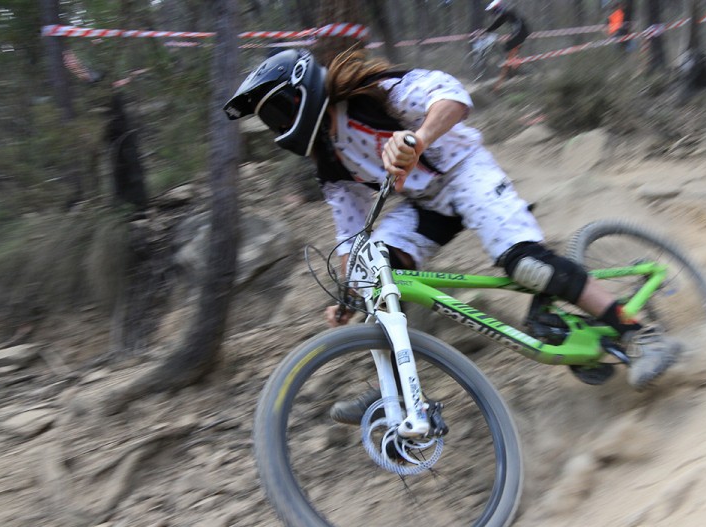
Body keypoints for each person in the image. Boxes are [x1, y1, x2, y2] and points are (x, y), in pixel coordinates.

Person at [223, 48, 680, 423]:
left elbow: (452, 96)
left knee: (526, 264)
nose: (279, 127)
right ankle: (396, 393)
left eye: (280, 112)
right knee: (373, 272)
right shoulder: (328, 160)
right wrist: (350, 290)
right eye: (272, 121)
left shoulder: (377, 94)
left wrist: (418, 138)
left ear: (304, 92)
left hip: (465, 172)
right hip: (426, 205)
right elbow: (350, 232)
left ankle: (639, 334)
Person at [481, 0, 530, 91]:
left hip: (521, 33)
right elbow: (497, 24)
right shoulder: (506, 13)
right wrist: (486, 31)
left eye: (493, 10)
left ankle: (514, 73)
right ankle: (513, 71)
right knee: (509, 53)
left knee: (508, 50)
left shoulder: (509, 12)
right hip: (519, 33)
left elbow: (519, 24)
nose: (493, 13)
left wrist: (514, 36)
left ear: (498, 8)